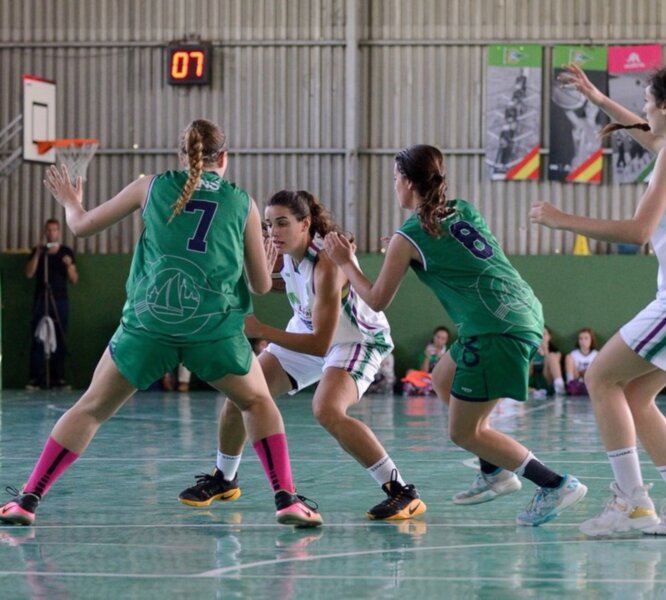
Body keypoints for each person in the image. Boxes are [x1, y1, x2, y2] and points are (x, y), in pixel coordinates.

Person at [0, 119, 321, 528]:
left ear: (181, 155)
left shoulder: (148, 186)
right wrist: (267, 262)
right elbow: (259, 285)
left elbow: (79, 226)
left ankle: (28, 499)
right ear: (224, 157)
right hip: (213, 330)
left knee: (91, 410)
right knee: (256, 403)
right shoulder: (243, 202)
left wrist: (70, 201)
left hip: (149, 325)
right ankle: (286, 499)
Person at [324, 144, 586, 526]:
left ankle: (554, 484)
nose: (394, 186)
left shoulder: (408, 236)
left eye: (396, 180)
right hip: (519, 311)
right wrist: (400, 248)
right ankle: (495, 473)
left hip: (494, 329)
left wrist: (346, 262)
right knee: (442, 377)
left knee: (464, 431)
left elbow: (376, 299)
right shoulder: (461, 209)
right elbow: (452, 250)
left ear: (409, 183)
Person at [531, 64, 666, 536]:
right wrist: (599, 99)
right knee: (636, 395)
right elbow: (648, 133)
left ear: (665, 106)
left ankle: (631, 504)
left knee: (600, 375)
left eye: (647, 99)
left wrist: (564, 219)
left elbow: (640, 231)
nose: (643, 107)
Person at [178, 190, 425, 521]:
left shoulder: (327, 264)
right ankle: (225, 478)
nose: (273, 232)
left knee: (327, 410)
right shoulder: (287, 255)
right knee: (242, 391)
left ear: (305, 223)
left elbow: (320, 344)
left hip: (354, 340)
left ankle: (402, 491)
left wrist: (261, 330)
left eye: (282, 223)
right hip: (308, 329)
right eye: (268, 225)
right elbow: (285, 287)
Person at [24, 218, 78, 390]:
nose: (51, 233)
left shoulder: (66, 252)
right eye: (48, 230)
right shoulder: (38, 251)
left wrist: (69, 266)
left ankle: (58, 378)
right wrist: (38, 254)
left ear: (59, 232)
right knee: (38, 336)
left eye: (54, 230)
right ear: (45, 232)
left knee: (60, 336)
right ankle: (35, 379)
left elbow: (74, 279)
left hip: (60, 300)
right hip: (41, 299)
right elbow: (29, 274)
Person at [529, 325, 565, 398]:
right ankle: (533, 390)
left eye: (544, 334)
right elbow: (529, 373)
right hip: (534, 378)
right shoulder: (531, 350)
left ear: (549, 336)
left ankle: (559, 386)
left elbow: (555, 366)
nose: (542, 337)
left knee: (551, 356)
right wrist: (532, 354)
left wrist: (546, 351)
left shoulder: (555, 352)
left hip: (547, 377)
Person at [565, 328, 600, 396]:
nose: (583, 341)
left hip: (590, 382)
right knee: (568, 358)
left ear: (591, 340)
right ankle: (570, 385)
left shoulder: (596, 354)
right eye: (581, 339)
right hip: (577, 381)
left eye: (586, 338)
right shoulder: (573, 354)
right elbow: (576, 373)